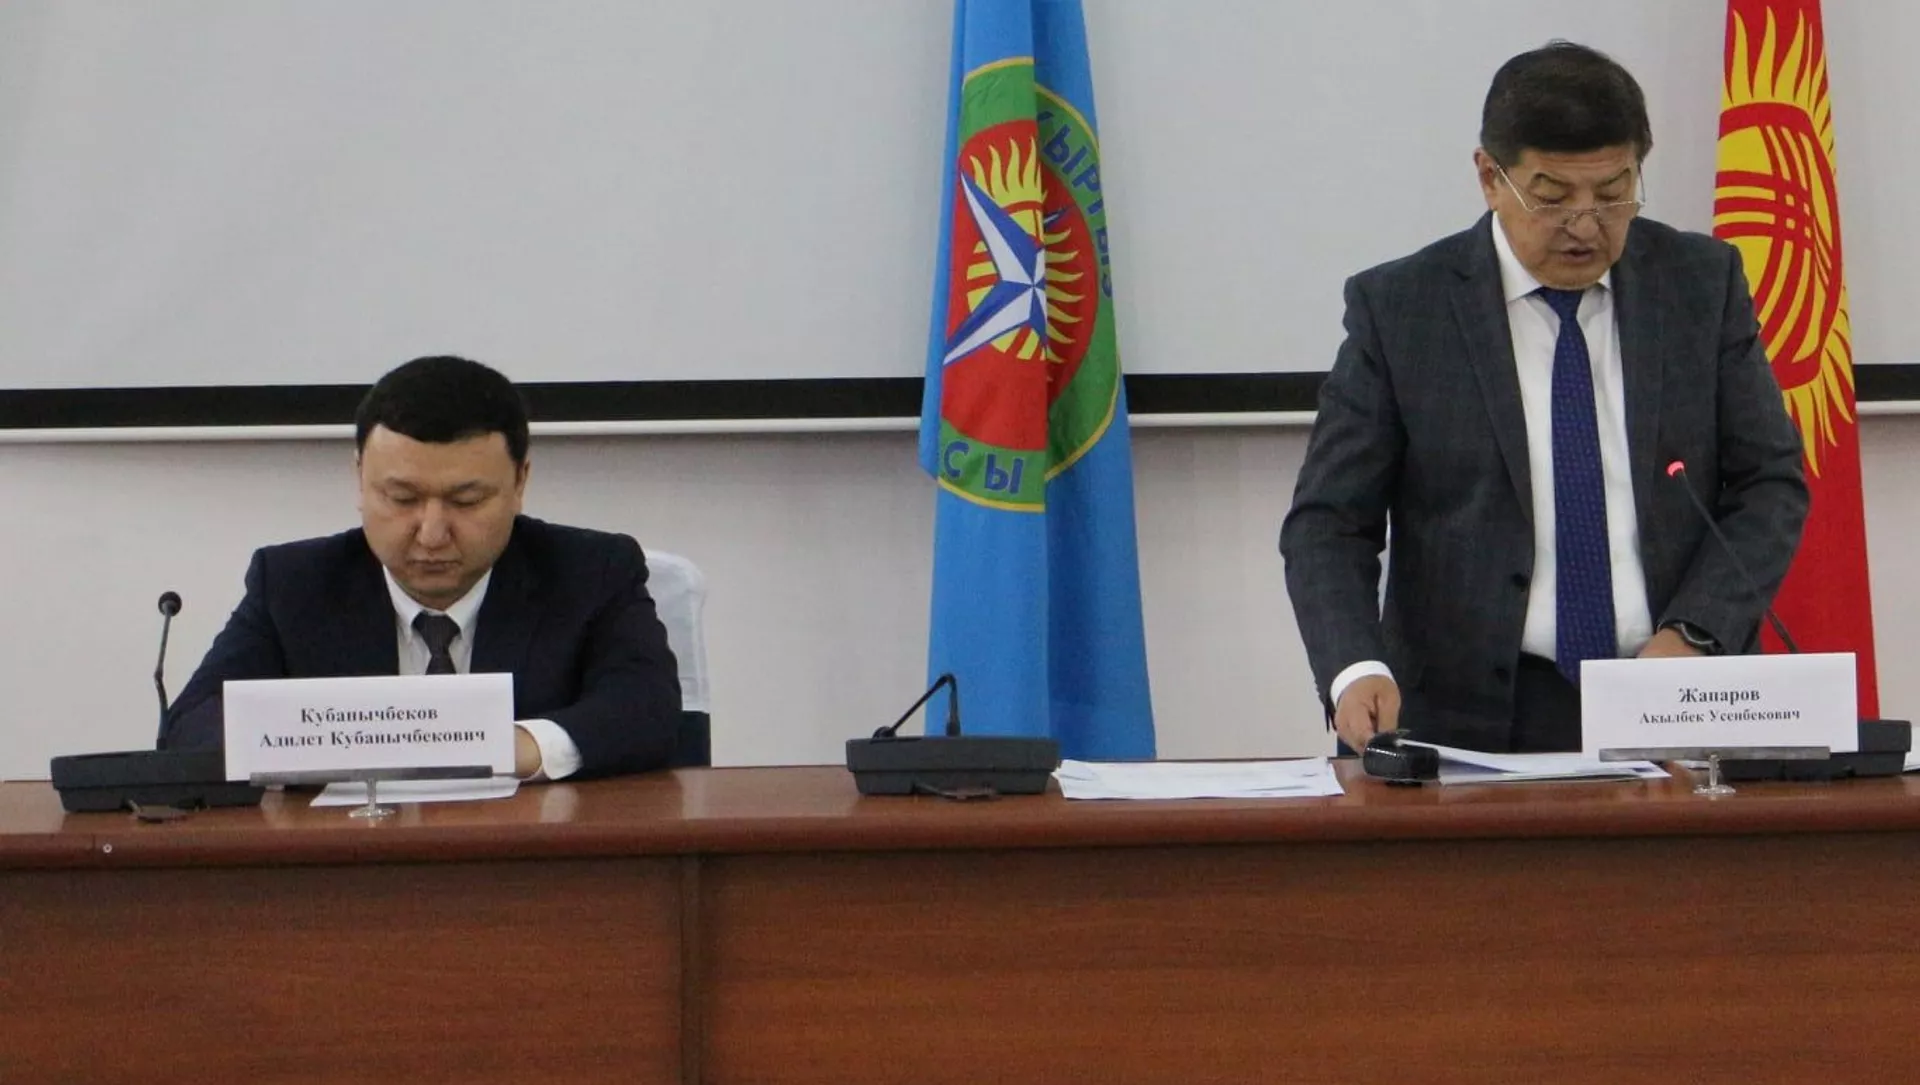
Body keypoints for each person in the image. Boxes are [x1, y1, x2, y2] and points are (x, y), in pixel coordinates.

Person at [1280, 42, 1808, 755]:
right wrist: (1355, 666)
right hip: (1462, 718)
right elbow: (1330, 520)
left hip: (1675, 695)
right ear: (1489, 178)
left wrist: (1696, 633)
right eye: (1553, 197)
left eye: (1614, 191)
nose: (1586, 225)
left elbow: (1768, 482)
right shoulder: (1404, 307)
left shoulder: (1699, 284)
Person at [159, 355, 682, 779]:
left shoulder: (592, 572)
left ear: (520, 481)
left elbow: (646, 710)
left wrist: (500, 747)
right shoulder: (294, 583)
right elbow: (191, 726)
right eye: (403, 498)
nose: (431, 533)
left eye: (467, 500)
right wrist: (335, 745)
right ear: (360, 478)